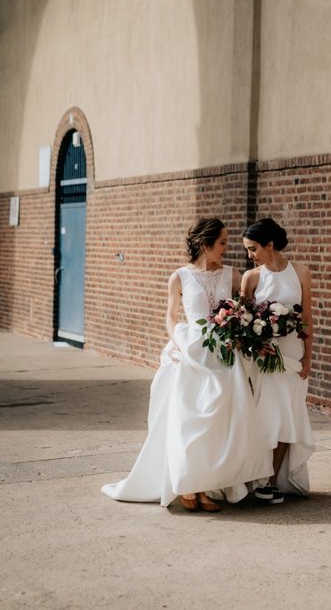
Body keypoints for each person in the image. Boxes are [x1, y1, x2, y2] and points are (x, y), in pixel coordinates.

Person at [102, 218, 273, 511]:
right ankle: (188, 485)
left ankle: (205, 486)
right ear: (206, 244)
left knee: (217, 421)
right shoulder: (179, 277)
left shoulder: (233, 276)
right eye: (222, 242)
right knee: (189, 421)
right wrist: (177, 343)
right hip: (190, 349)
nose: (227, 248)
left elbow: (249, 309)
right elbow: (170, 315)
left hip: (222, 353)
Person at [241, 217, 315, 503]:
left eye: (253, 248)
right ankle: (255, 477)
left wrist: (308, 355)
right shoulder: (252, 277)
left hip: (292, 355)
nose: (250, 255)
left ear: (269, 244)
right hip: (264, 358)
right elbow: (242, 321)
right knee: (265, 416)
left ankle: (271, 480)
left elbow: (306, 318)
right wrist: (257, 345)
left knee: (287, 416)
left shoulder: (301, 272)